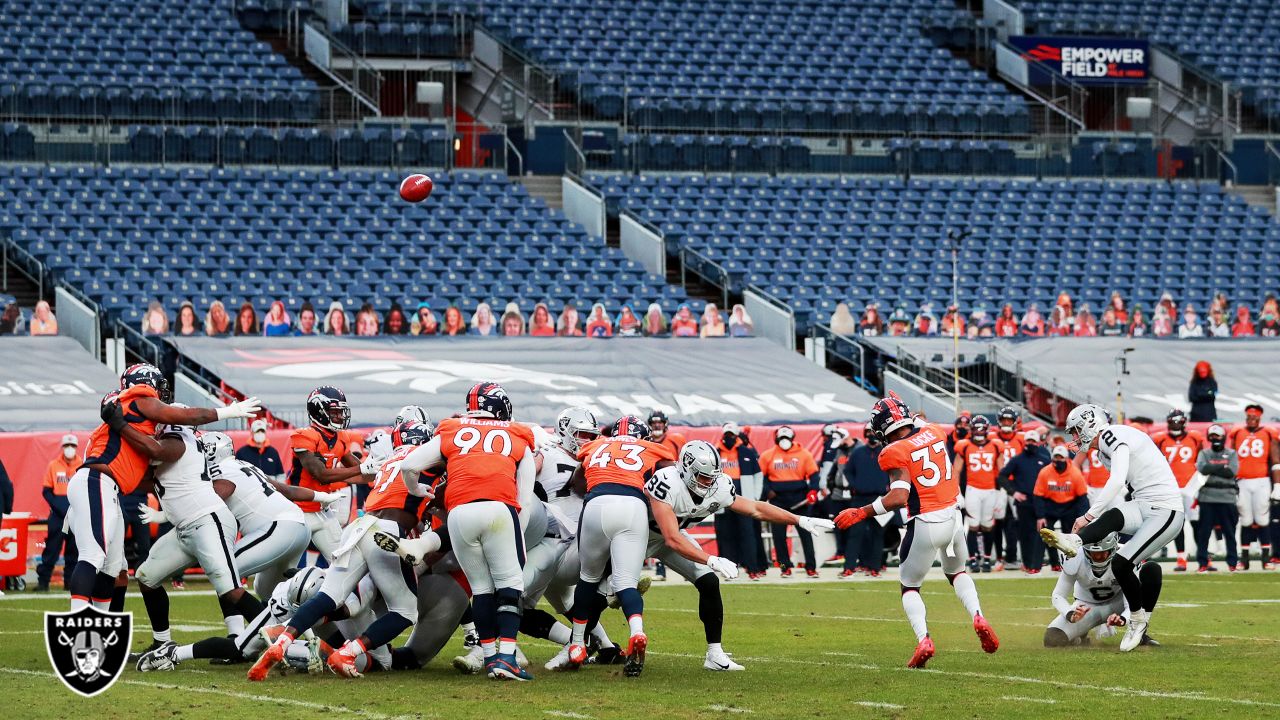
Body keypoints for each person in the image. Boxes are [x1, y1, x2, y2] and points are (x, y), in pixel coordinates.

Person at [250, 422, 441, 680]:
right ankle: (349, 652)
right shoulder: (429, 461)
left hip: (358, 527)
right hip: (387, 532)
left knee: (330, 595)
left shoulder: (390, 461)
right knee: (406, 611)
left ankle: (283, 639)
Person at [71, 364, 258, 615]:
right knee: (100, 558)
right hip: (99, 482)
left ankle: (103, 632)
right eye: (159, 385)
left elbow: (152, 458)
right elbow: (183, 420)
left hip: (116, 489)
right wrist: (227, 411)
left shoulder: (143, 427)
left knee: (115, 569)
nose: (162, 394)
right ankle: (79, 624)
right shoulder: (139, 400)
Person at [834, 394, 999, 668]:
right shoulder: (935, 431)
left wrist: (861, 511)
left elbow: (898, 496)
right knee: (957, 572)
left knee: (909, 586)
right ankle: (978, 615)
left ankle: (924, 639)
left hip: (925, 522)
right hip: (954, 518)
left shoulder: (893, 451)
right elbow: (918, 426)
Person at [640, 442, 832, 671]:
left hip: (672, 538)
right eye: (703, 477)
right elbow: (671, 537)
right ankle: (593, 641)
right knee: (600, 592)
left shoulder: (718, 485)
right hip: (637, 537)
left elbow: (755, 508)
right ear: (686, 469)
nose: (709, 482)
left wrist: (799, 520)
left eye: (712, 476)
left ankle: (714, 654)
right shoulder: (667, 481)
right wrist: (711, 558)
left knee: (709, 582)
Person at [1040, 403, 1186, 652]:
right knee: (1113, 517)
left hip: (1165, 509)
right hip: (1145, 503)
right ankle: (1075, 542)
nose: (1074, 438)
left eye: (1076, 431)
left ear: (1089, 424)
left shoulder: (1111, 435)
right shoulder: (1103, 451)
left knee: (1120, 563)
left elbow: (1117, 481)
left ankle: (1138, 621)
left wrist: (1088, 515)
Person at [130, 418, 267, 653]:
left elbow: (153, 452)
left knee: (231, 589)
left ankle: (284, 638)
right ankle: (162, 642)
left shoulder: (179, 443)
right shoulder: (175, 446)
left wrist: (124, 430)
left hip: (207, 520)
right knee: (146, 578)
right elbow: (148, 481)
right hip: (186, 526)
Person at [562, 415, 673, 676]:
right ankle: (637, 632)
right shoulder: (653, 447)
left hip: (597, 504)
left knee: (588, 577)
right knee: (626, 582)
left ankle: (577, 643)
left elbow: (578, 481)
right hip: (632, 506)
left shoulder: (595, 445)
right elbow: (670, 472)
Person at [286, 386, 374, 562]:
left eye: (341, 412)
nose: (340, 416)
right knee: (283, 568)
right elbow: (320, 474)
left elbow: (361, 474)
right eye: (334, 412)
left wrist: (380, 470)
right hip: (297, 512)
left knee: (345, 564)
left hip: (323, 511)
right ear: (318, 411)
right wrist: (362, 469)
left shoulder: (341, 437)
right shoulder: (304, 436)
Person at [1044, 533, 1162, 647]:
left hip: (1118, 604)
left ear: (1113, 549)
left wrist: (1123, 619)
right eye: (1093, 553)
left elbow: (1132, 601)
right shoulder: (1075, 556)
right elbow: (1058, 595)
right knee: (1053, 639)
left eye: (1102, 553)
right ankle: (1080, 637)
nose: (1097, 558)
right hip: (1087, 607)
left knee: (1152, 569)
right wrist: (1071, 614)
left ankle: (1140, 633)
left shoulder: (1126, 555)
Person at [759, 426, 821, 578]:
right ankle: (784, 567)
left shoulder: (804, 454)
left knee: (806, 535)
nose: (784, 442)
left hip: (800, 501)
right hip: (777, 501)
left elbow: (814, 475)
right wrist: (767, 491)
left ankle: (811, 567)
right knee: (779, 538)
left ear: (793, 439)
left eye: (787, 438)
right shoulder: (768, 455)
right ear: (776, 439)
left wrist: (813, 491)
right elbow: (761, 477)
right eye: (781, 439)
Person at [1227, 404, 1278, 570]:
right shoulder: (1237, 432)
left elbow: (1276, 460)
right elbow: (1231, 459)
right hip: (1242, 481)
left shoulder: (1268, 432)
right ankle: (1245, 559)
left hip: (1262, 480)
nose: (1252, 420)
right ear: (1245, 417)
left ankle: (1266, 559)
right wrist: (1231, 482)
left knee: (1262, 519)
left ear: (1260, 417)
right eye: (1249, 417)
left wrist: (1277, 484)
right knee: (1246, 520)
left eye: (1255, 417)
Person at [1152, 409, 1203, 571]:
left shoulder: (1195, 438)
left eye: (1178, 421)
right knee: (1177, 524)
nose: (1175, 424)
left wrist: (1199, 483)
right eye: (1172, 421)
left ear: (1184, 422)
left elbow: (1200, 462)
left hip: (1191, 486)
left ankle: (1203, 557)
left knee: (1197, 523)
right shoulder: (1160, 439)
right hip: (1170, 486)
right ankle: (1181, 558)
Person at [836, 428, 890, 578]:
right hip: (860, 498)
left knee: (877, 534)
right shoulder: (858, 453)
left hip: (880, 498)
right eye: (868, 433)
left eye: (873, 433)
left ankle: (875, 568)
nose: (871, 436)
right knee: (855, 534)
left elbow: (895, 471)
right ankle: (849, 567)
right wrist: (855, 485)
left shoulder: (886, 451)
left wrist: (888, 486)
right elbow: (847, 471)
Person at [954, 416, 1005, 573]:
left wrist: (1002, 491)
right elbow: (956, 470)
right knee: (974, 525)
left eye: (982, 428)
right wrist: (957, 491)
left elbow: (1002, 471)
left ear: (987, 429)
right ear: (971, 429)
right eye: (976, 428)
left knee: (988, 526)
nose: (979, 431)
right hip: (972, 490)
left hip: (990, 490)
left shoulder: (996, 445)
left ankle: (987, 559)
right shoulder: (964, 445)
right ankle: (973, 559)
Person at [716, 422, 766, 578]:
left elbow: (758, 475)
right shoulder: (715, 452)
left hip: (744, 500)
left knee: (748, 534)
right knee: (725, 535)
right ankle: (729, 569)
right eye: (726, 435)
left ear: (737, 436)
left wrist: (755, 496)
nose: (729, 438)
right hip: (722, 501)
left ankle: (752, 568)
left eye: (732, 435)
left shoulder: (747, 452)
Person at [997, 431, 1052, 574]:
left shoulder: (1045, 459)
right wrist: (1013, 492)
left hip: (1042, 501)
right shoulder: (1017, 460)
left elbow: (1052, 478)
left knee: (1043, 533)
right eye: (1028, 441)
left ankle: (1039, 562)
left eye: (1033, 441)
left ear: (1038, 442)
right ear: (1024, 442)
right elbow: (1002, 476)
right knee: (1025, 534)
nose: (1030, 444)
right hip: (1024, 502)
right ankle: (1028, 564)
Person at [37, 434, 80, 592]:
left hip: (76, 515)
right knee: (51, 549)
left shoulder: (82, 465)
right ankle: (43, 582)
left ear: (76, 447)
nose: (70, 448)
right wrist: (59, 508)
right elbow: (46, 491)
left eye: (72, 445)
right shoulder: (53, 465)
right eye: (67, 445)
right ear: (63, 447)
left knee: (73, 551)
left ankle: (70, 584)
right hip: (57, 516)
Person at [1033, 445, 1088, 571]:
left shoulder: (1075, 473)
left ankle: (1072, 564)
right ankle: (1038, 566)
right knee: (1044, 533)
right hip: (1050, 505)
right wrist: (1040, 516)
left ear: (1067, 459)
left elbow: (1082, 498)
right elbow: (1038, 495)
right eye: (1055, 458)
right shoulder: (1045, 472)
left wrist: (1082, 517)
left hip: (1070, 505)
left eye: (1061, 458)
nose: (1058, 461)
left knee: (1071, 536)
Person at [1195, 424, 1239, 572]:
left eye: (1218, 435)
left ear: (1223, 437)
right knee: (1204, 533)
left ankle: (1233, 562)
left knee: (1229, 532)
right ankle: (1202, 562)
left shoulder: (1232, 453)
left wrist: (1212, 468)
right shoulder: (1204, 452)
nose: (1215, 439)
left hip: (1227, 497)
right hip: (1207, 498)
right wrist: (1222, 467)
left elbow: (1231, 472)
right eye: (1212, 436)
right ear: (1208, 437)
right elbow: (1202, 468)